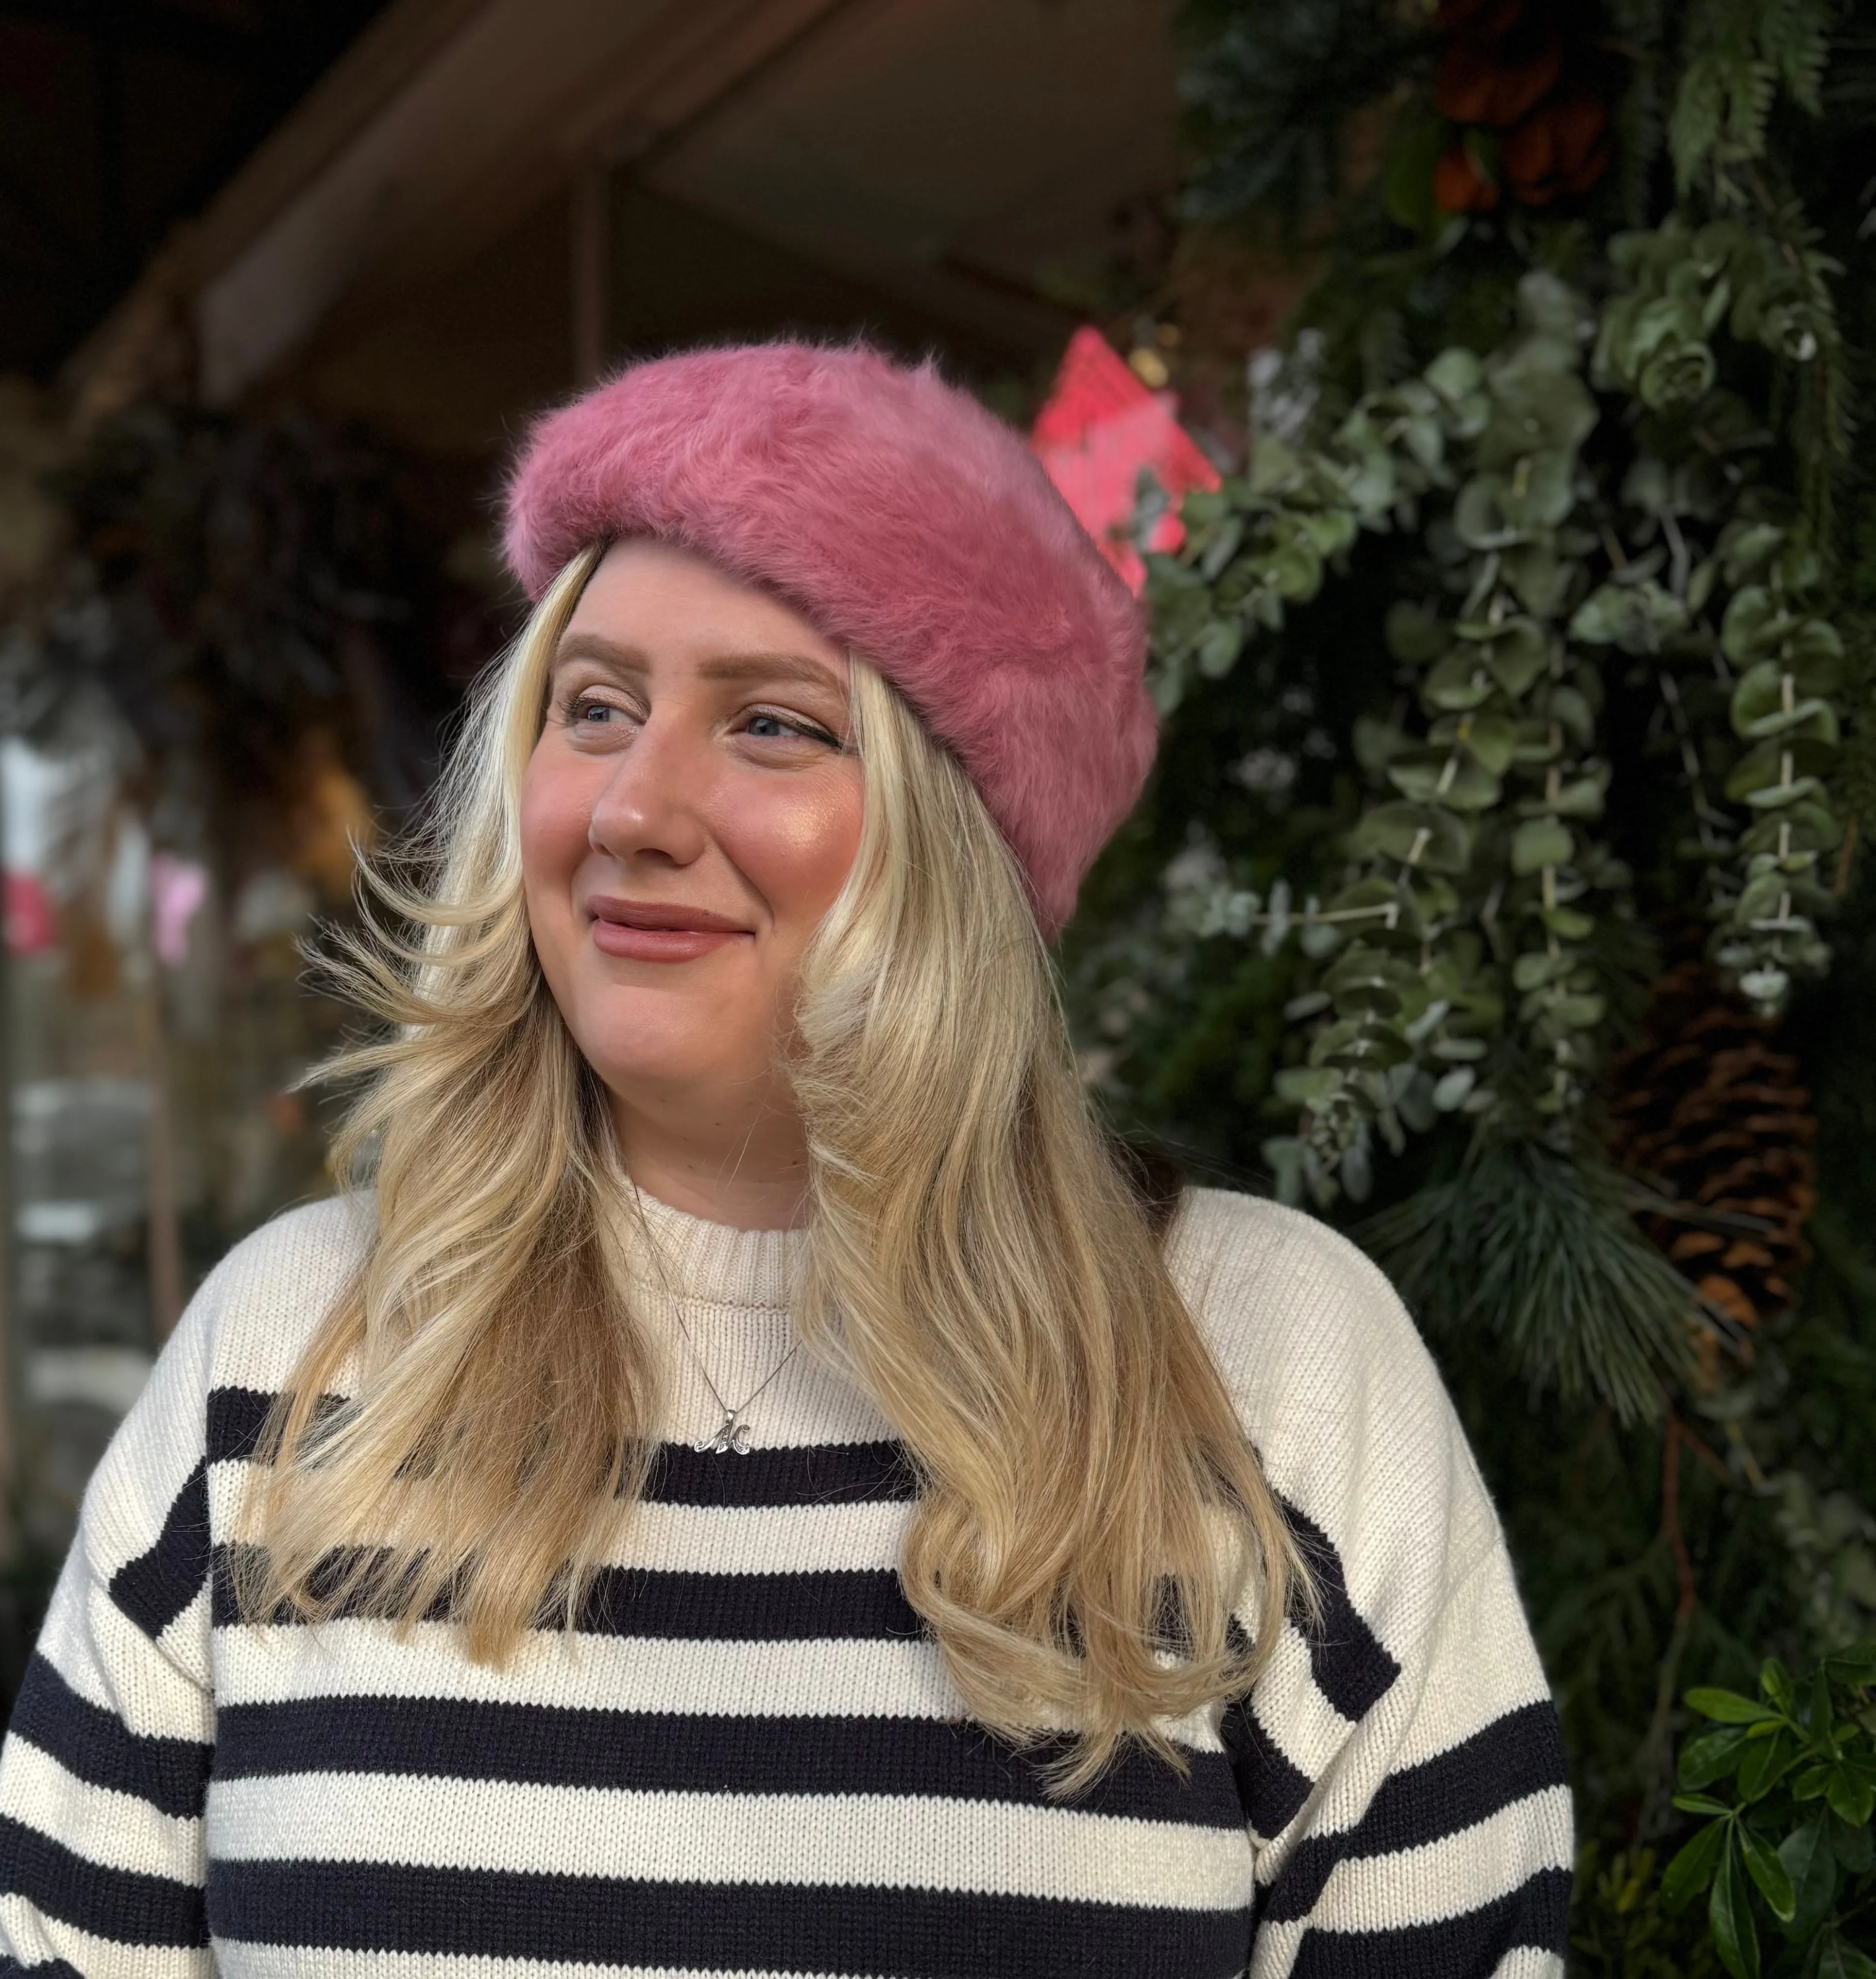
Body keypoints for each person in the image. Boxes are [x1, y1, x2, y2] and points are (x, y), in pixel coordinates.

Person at [0, 343, 1571, 1978]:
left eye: (769, 725)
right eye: (592, 706)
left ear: (958, 839)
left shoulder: (1269, 1368)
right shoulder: (285, 1350)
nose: (631, 807)